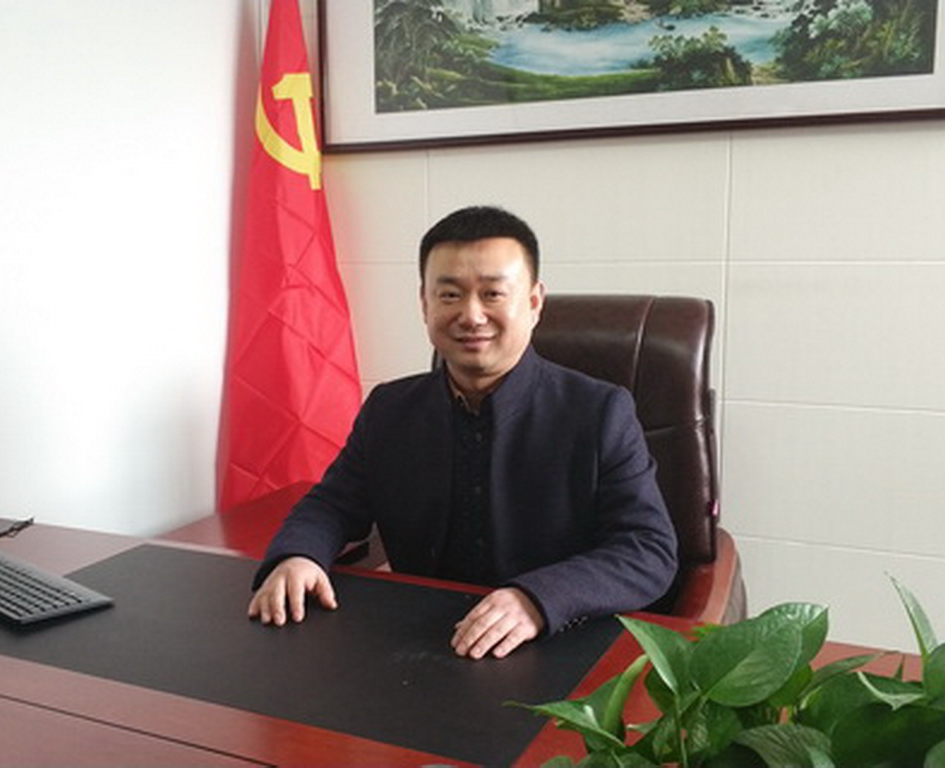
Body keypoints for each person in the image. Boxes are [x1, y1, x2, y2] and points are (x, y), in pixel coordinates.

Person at [246, 205, 678, 660]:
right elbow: (333, 505)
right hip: (418, 647)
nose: (471, 315)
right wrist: (300, 555)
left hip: (553, 646)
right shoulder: (390, 410)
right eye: (450, 295)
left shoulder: (599, 412)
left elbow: (648, 550)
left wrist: (537, 599)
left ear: (534, 302)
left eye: (493, 294)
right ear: (425, 303)